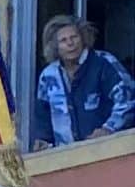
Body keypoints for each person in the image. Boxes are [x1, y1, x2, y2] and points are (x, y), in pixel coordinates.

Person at [28, 14, 135, 149]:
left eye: (74, 37)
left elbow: (128, 101)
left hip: (107, 150)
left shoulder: (104, 63)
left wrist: (108, 129)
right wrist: (43, 141)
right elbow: (43, 116)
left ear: (83, 38)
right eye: (63, 40)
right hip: (65, 156)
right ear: (55, 47)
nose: (70, 43)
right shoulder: (48, 76)